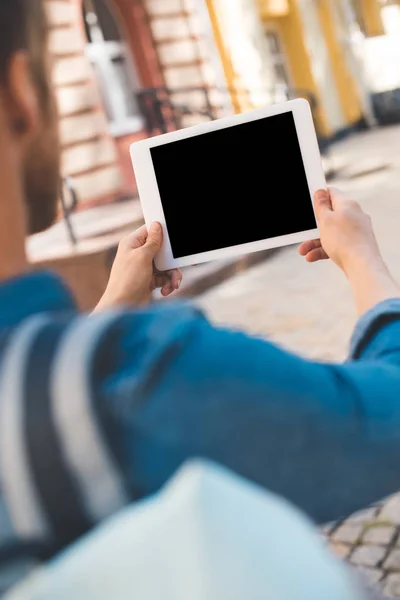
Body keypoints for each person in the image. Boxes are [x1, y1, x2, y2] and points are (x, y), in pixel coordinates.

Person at [0, 0, 400, 591]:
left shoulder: (72, 377)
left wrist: (112, 306)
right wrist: (365, 261)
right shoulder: (151, 371)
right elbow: (384, 425)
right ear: (20, 93)